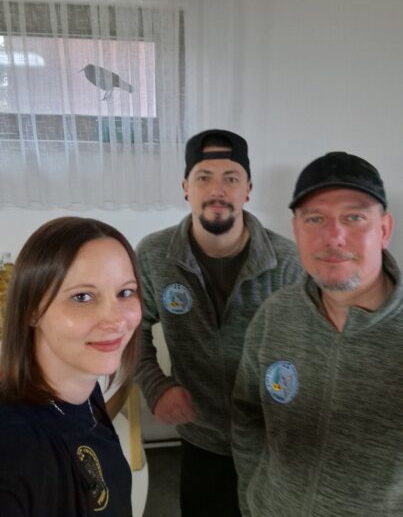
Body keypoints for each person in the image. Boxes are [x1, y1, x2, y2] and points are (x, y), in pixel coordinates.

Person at [135, 128, 301, 516]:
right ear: (185, 188)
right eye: (204, 177)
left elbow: (312, 347)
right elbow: (132, 328)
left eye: (231, 178)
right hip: (201, 439)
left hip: (273, 442)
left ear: (248, 190)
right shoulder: (154, 255)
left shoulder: (288, 262)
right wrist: (156, 385)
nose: (217, 190)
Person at [232, 151, 403, 516]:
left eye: (354, 217)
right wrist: (252, 500)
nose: (334, 237)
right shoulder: (273, 316)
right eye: (315, 219)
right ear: (296, 230)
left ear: (384, 230)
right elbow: (247, 417)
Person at [0, 216, 142, 517]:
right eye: (82, 297)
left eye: (125, 292)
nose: (116, 319)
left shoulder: (84, 393)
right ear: (32, 309)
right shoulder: (13, 446)